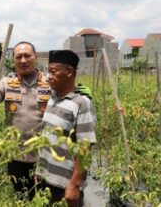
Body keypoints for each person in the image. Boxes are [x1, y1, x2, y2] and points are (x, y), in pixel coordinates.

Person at [0, 41, 52, 200]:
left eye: (27, 56)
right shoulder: (8, 82)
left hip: (42, 156)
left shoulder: (48, 82)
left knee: (42, 198)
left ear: (35, 57)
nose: (23, 60)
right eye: (18, 57)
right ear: (13, 60)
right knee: (20, 197)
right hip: (15, 155)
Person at [35, 50, 96, 206]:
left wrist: (74, 185)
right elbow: (46, 139)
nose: (48, 76)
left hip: (65, 186)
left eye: (53, 71)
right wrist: (39, 170)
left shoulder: (82, 103)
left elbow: (85, 148)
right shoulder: (52, 99)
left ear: (69, 72)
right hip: (46, 180)